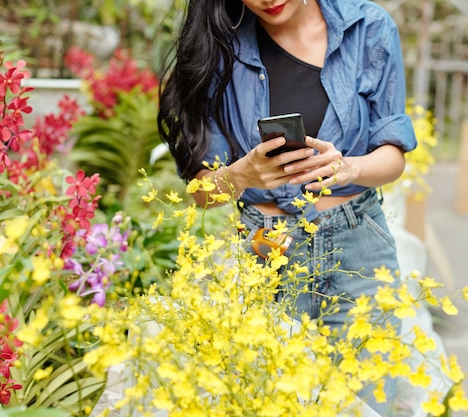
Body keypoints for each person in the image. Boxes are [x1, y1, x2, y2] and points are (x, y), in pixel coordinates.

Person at [157, 0, 417, 415]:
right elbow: (201, 194)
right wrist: (242, 176)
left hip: (358, 245)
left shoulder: (368, 28)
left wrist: (350, 167)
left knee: (369, 402)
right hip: (266, 250)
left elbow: (394, 156)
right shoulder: (218, 44)